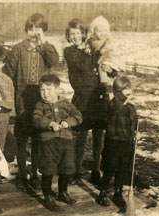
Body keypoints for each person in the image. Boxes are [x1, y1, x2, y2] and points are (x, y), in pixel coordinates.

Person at [4, 13, 59, 191]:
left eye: (38, 29)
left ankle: (34, 173)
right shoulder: (19, 49)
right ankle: (22, 174)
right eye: (31, 28)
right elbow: (9, 74)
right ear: (26, 30)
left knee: (37, 139)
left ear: (43, 31)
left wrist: (43, 42)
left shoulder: (46, 48)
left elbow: (54, 61)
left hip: (40, 101)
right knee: (22, 139)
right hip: (22, 101)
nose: (34, 32)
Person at [63, 18, 106, 186]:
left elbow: (106, 60)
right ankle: (77, 171)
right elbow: (85, 65)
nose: (75, 37)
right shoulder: (70, 52)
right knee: (80, 136)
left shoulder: (91, 49)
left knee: (98, 136)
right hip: (82, 98)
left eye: (78, 33)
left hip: (97, 97)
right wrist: (91, 50)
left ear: (84, 34)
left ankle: (96, 169)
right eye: (72, 34)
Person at [33, 74, 82, 211]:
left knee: (67, 167)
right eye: (42, 90)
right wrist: (49, 124)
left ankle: (63, 192)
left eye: (49, 90)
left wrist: (68, 122)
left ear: (58, 89)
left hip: (66, 140)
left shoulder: (66, 103)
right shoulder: (40, 105)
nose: (45, 94)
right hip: (49, 141)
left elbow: (78, 116)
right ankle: (48, 195)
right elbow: (36, 119)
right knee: (48, 168)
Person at [97, 76, 138, 210]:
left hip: (127, 142)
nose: (128, 96)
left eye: (130, 93)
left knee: (122, 169)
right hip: (114, 142)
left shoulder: (130, 107)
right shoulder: (113, 104)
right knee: (111, 168)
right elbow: (114, 109)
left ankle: (118, 192)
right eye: (125, 94)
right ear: (117, 92)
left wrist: (135, 132)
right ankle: (103, 192)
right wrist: (123, 100)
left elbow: (133, 122)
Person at [87, 15, 113, 90]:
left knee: (102, 66)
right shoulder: (91, 40)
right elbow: (88, 44)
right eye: (99, 31)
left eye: (105, 31)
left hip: (107, 55)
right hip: (96, 58)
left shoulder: (108, 39)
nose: (102, 33)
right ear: (94, 32)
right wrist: (88, 48)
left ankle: (104, 83)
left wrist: (105, 49)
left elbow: (109, 46)